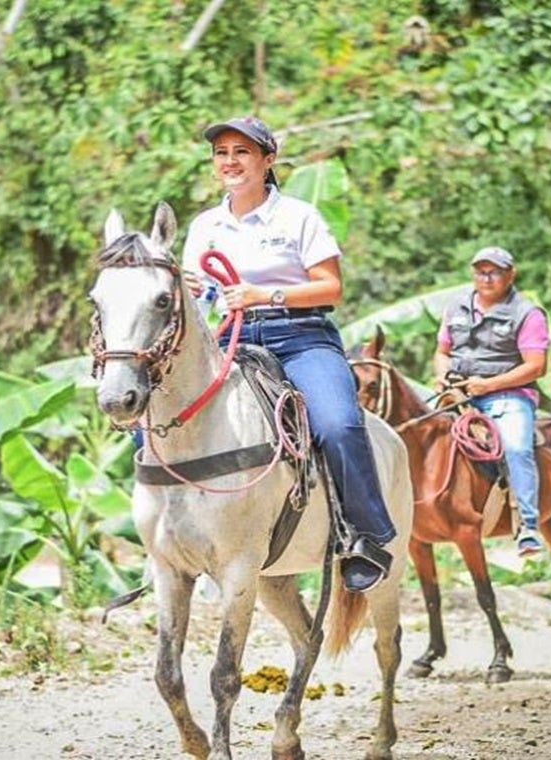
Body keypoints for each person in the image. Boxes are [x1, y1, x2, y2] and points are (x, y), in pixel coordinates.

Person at [180, 115, 396, 593]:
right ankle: (178, 537)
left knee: (338, 424)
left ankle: (363, 536)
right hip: (232, 340)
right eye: (221, 153)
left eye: (242, 152)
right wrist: (193, 291)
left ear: (268, 159)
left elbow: (331, 287)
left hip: (301, 336)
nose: (230, 162)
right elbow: (204, 300)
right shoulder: (205, 226)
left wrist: (265, 294)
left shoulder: (299, 217)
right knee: (163, 420)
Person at [432, 246, 549, 556]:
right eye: (480, 271)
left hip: (508, 395)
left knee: (517, 448)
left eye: (494, 272)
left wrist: (489, 385)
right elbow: (442, 352)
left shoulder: (527, 313)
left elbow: (536, 366)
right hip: (458, 393)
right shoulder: (455, 307)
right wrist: (442, 376)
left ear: (511, 275)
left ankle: (528, 526)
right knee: (418, 436)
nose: (486, 278)